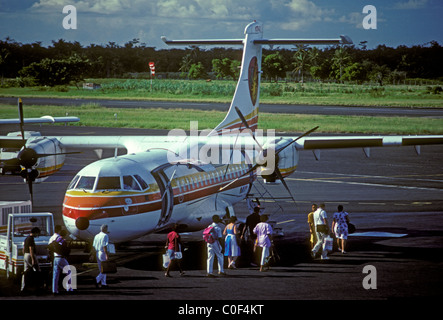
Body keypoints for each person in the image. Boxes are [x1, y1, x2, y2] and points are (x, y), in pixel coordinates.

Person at [49, 227, 72, 294]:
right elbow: (65, 250)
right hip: (61, 258)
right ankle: (69, 288)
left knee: (55, 275)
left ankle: (54, 290)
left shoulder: (56, 240)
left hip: (55, 257)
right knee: (69, 272)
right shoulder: (63, 241)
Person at [21, 227, 41, 292]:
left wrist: (24, 255)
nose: (37, 235)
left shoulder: (26, 238)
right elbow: (31, 249)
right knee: (37, 270)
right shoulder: (31, 239)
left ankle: (23, 287)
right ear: (35, 233)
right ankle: (37, 287)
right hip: (30, 255)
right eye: (37, 233)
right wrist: (33, 259)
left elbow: (23, 248)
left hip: (25, 255)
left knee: (25, 271)